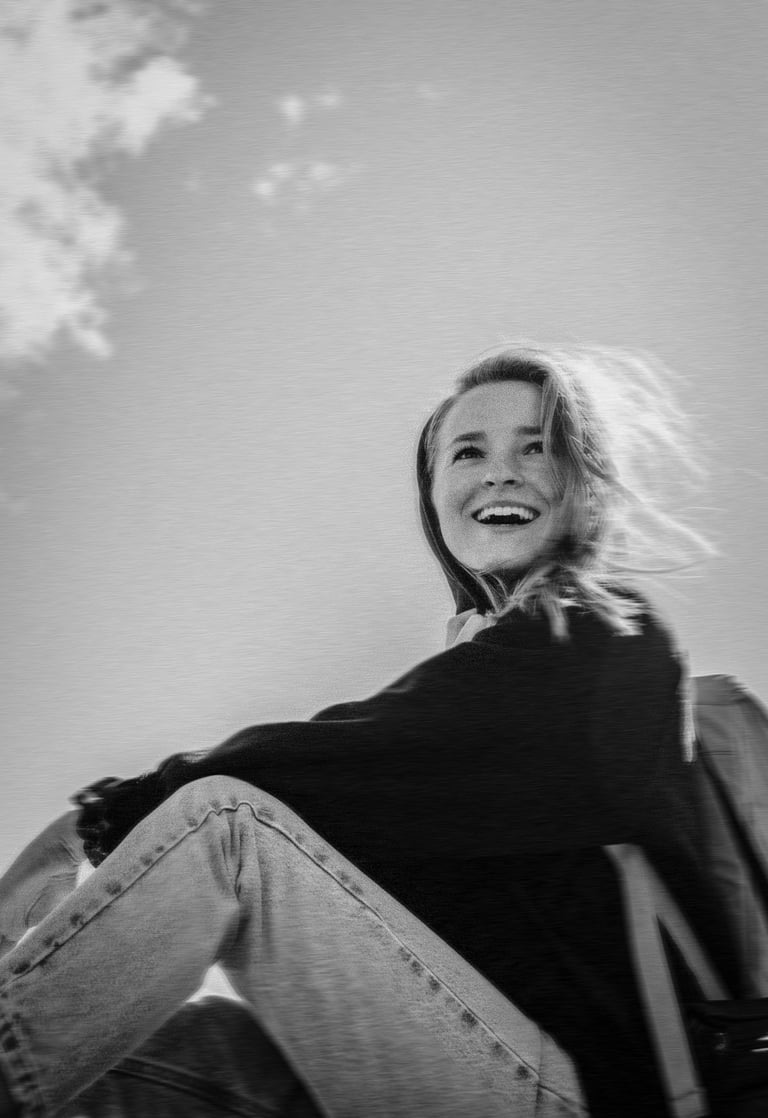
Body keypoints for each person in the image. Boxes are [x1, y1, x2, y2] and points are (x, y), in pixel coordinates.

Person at [0, 343, 743, 1118]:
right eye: (468, 452)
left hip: (590, 1096)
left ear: (587, 484)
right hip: (478, 1066)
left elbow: (360, 755)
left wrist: (101, 819)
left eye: (539, 447)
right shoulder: (490, 671)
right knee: (169, 1055)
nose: (500, 470)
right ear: (435, 494)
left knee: (227, 825)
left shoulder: (601, 633)